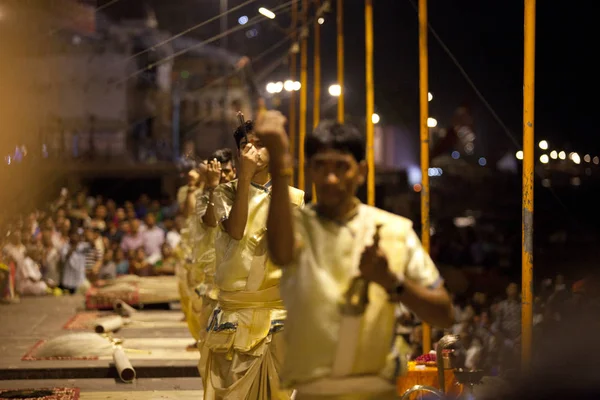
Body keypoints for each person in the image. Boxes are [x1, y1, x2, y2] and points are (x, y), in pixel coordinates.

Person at [258, 113, 454, 400]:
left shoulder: (394, 231)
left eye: (342, 167)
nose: (331, 178)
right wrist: (278, 162)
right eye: (320, 167)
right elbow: (279, 251)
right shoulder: (295, 228)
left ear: (361, 171)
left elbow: (444, 314)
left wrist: (392, 282)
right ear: (308, 170)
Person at [200, 121, 305, 400]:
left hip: (277, 312)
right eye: (246, 146)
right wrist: (243, 179)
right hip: (236, 313)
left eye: (260, 144)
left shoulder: (294, 198)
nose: (253, 151)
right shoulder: (224, 193)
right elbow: (236, 230)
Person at [188, 147, 237, 384]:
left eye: (227, 171)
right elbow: (209, 221)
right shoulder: (207, 195)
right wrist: (212, 188)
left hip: (240, 290)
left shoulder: (241, 195)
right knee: (209, 355)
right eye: (219, 172)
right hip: (213, 286)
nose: (224, 176)